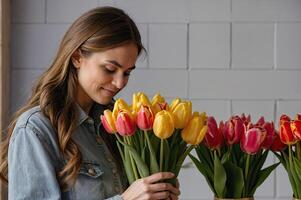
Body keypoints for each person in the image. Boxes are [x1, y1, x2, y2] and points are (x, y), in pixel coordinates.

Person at [0, 6, 180, 200]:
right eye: (110, 69)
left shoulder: (115, 128)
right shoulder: (35, 129)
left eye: (127, 72)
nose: (120, 83)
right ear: (77, 58)